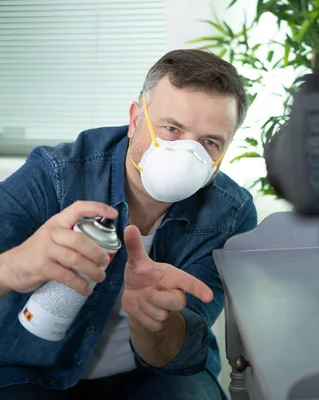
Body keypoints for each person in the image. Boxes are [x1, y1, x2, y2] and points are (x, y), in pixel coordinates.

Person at [0, 49, 257, 399]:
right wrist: (11, 267)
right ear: (136, 118)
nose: (186, 153)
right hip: (30, 370)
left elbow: (171, 354)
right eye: (171, 129)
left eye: (209, 143)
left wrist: (151, 319)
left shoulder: (231, 213)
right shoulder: (55, 175)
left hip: (154, 377)